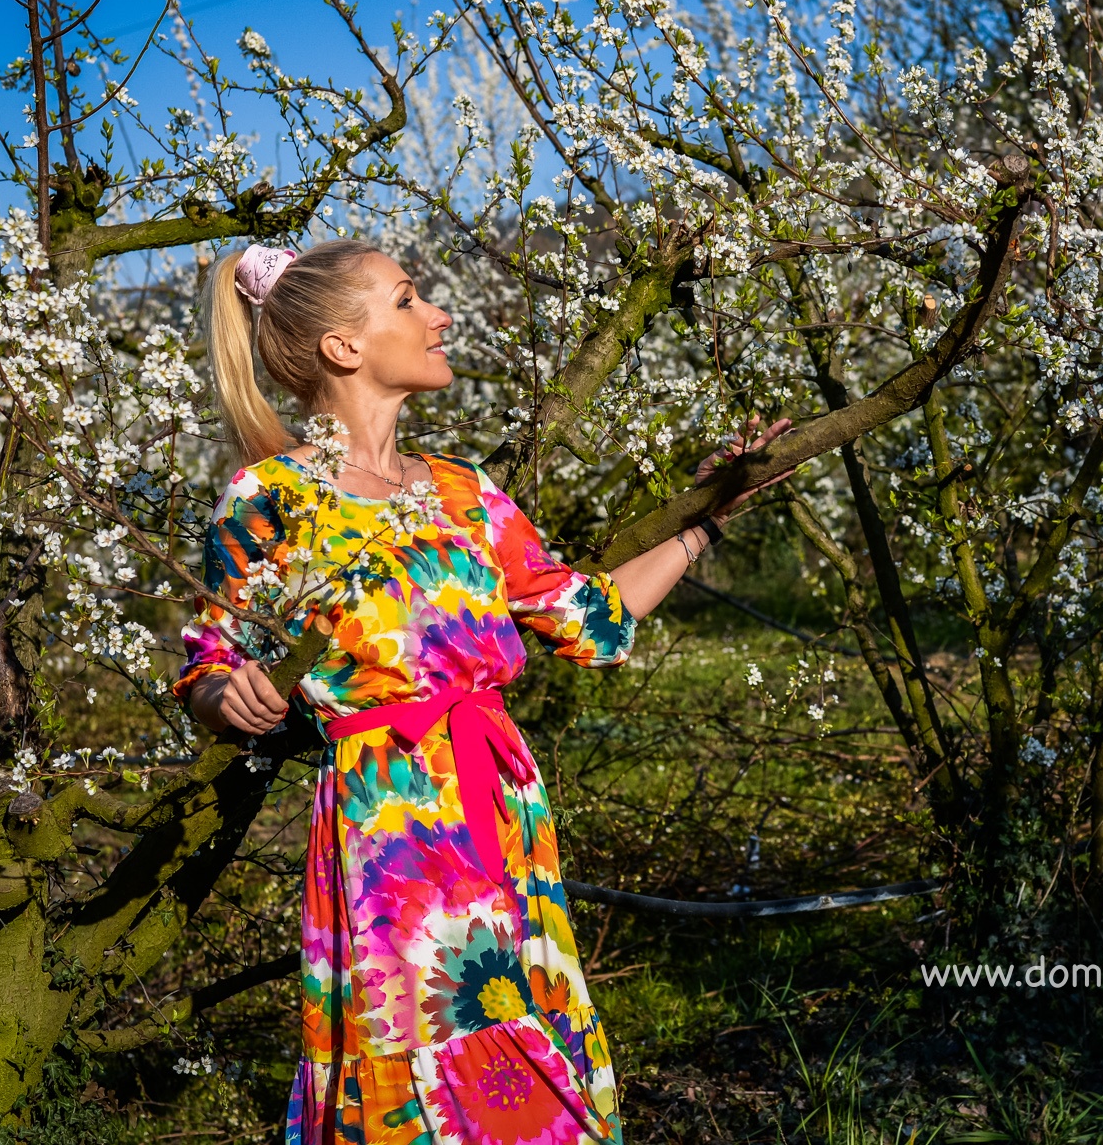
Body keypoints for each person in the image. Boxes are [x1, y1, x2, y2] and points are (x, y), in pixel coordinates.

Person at [175, 240, 790, 1144]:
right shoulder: (270, 497)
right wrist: (224, 694)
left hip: (502, 809)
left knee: (530, 1048)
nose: (439, 316)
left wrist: (706, 521)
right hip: (390, 827)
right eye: (409, 299)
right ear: (345, 346)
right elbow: (206, 660)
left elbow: (592, 618)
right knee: (420, 1053)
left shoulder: (467, 493)